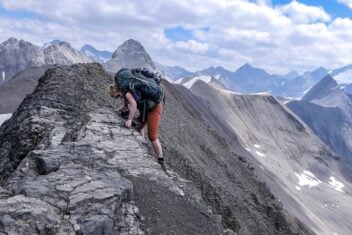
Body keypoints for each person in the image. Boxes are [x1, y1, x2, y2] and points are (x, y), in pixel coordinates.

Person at [108, 84, 165, 168]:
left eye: (117, 96)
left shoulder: (127, 93)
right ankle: (142, 146)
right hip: (146, 109)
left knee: (152, 136)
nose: (118, 98)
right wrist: (117, 110)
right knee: (139, 126)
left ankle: (161, 161)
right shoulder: (125, 92)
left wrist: (129, 120)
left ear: (118, 91)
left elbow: (134, 105)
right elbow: (125, 106)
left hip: (154, 109)